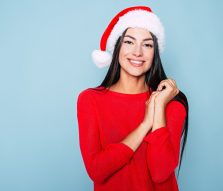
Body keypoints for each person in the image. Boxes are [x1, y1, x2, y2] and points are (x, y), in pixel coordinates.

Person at [77, 6, 189, 191]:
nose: (138, 52)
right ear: (117, 46)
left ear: (155, 52)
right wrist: (145, 124)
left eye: (147, 44)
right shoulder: (90, 100)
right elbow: (97, 170)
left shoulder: (172, 104)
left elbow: (160, 172)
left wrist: (159, 106)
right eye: (129, 42)